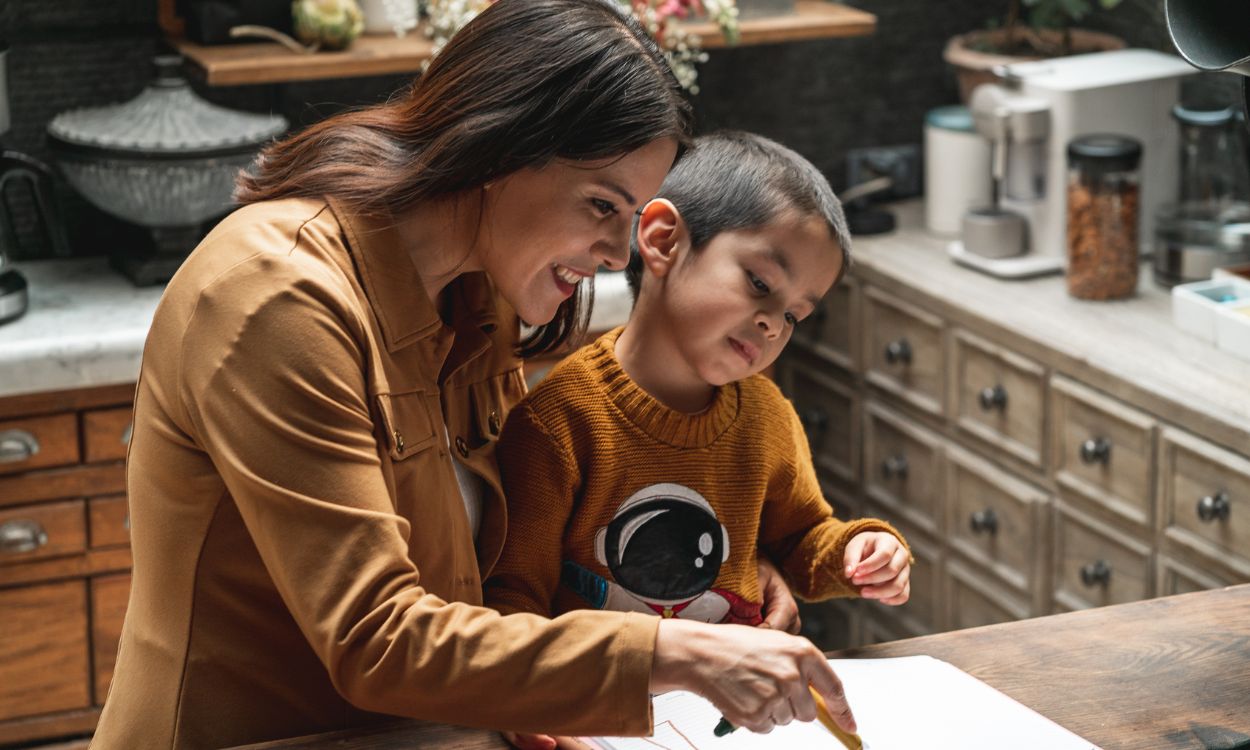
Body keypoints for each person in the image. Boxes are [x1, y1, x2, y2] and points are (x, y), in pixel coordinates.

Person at [90, 3, 858, 749]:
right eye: (600, 205)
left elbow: (504, 544)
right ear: (497, 149)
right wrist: (678, 654)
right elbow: (379, 639)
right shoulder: (274, 299)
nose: (617, 253)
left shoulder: (477, 290)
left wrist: (721, 576)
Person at [484, 132, 913, 740]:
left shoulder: (767, 416)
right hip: (597, 717)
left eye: (794, 315)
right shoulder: (558, 422)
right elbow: (513, 602)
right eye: (761, 283)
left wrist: (857, 552)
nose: (771, 323)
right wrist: (528, 709)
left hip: (727, 719)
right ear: (663, 241)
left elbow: (800, 540)